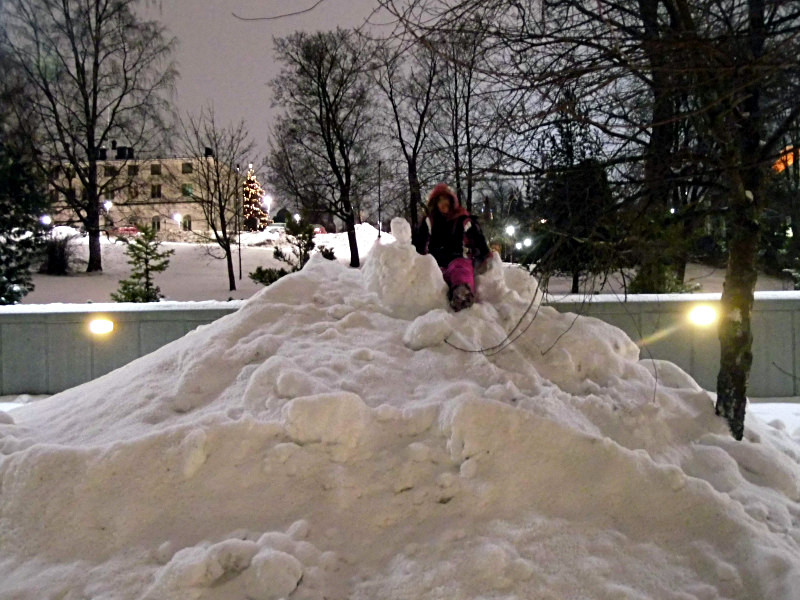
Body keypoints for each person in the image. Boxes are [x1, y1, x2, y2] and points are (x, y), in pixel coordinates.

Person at [414, 183, 490, 311]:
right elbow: (419, 243)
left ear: (452, 201)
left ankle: (462, 293)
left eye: (446, 199)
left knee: (460, 270)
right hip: (436, 263)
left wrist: (485, 253)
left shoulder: (463, 220)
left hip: (458, 258)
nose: (443, 203)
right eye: (439, 200)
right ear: (435, 204)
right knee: (432, 276)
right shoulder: (429, 222)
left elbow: (478, 238)